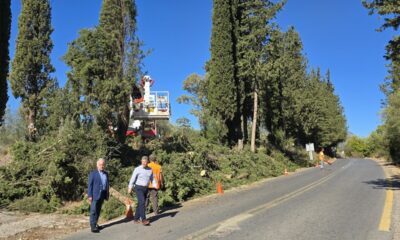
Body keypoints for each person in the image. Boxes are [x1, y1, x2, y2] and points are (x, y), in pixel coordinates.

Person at [128, 156, 157, 226]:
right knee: (142, 202)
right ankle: (143, 219)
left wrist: (155, 186)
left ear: (148, 162)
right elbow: (132, 179)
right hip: (138, 188)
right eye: (143, 162)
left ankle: (135, 219)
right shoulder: (137, 169)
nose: (144, 163)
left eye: (145, 162)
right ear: (141, 161)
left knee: (140, 203)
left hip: (145, 188)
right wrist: (130, 187)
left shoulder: (150, 169)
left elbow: (152, 179)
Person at [87, 158, 109, 233]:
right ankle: (93, 227)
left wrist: (107, 194)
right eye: (100, 164)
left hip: (102, 194)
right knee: (93, 210)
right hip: (94, 195)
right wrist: (89, 195)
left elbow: (107, 185)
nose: (102, 166)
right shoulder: (93, 173)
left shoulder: (106, 174)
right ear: (97, 165)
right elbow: (90, 185)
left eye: (103, 164)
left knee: (98, 210)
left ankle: (95, 223)